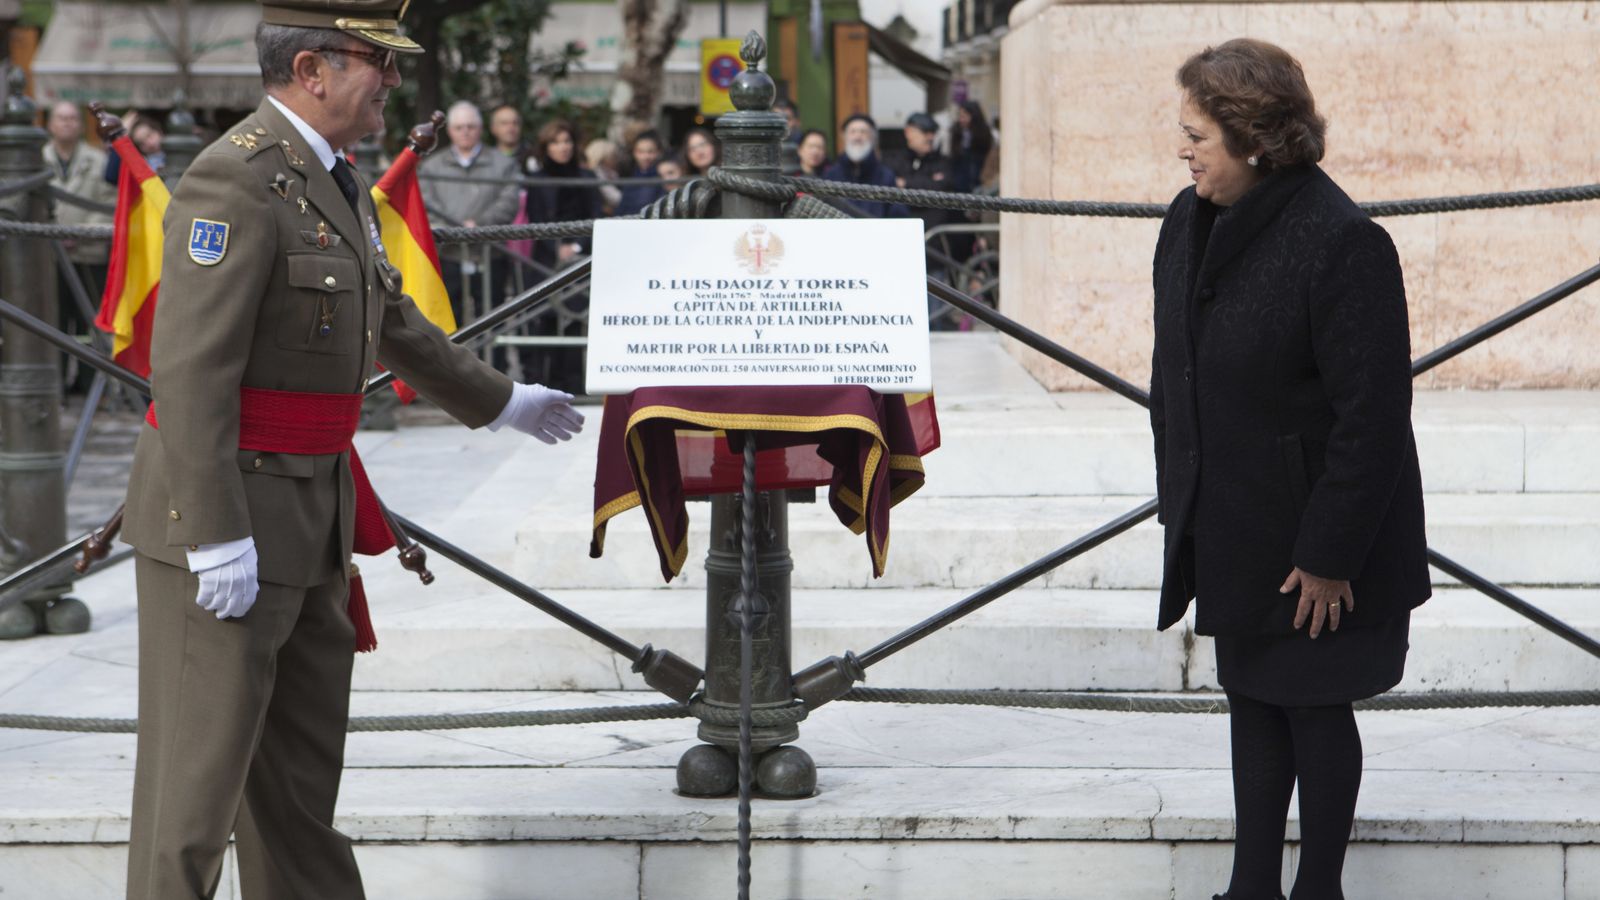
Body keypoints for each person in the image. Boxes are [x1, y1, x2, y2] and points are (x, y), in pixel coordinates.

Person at [117, 4, 585, 897]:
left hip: (311, 520)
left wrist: (502, 401)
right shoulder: (234, 180)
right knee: (192, 799)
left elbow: (391, 319)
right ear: (312, 69)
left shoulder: (326, 178)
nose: (395, 84)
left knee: (295, 793)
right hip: (230, 523)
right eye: (380, 62)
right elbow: (189, 376)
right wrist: (214, 533)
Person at [1148, 39, 1430, 900]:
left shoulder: (1342, 242)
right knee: (1254, 701)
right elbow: (1180, 368)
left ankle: (1319, 890)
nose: (1183, 150)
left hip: (1314, 543)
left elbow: (1373, 418)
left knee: (1312, 706)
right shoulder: (1188, 219)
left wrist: (1330, 553)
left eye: (1197, 135)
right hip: (1233, 520)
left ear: (1256, 140)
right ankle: (1250, 888)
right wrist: (1184, 503)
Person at [418, 100, 521, 324]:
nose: (465, 132)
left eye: (471, 126)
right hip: (448, 255)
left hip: (490, 253)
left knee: (493, 321)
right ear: (451, 131)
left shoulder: (503, 164)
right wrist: (454, 230)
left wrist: (479, 225)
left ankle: (492, 361)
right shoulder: (432, 167)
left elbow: (509, 201)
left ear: (481, 129)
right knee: (448, 323)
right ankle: (446, 361)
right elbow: (425, 203)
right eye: (459, 127)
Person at [43, 101, 118, 389]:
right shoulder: (38, 158)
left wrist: (79, 233)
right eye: (61, 118)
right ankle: (56, 382)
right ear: (50, 123)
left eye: (73, 118)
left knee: (90, 321)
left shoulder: (98, 160)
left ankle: (89, 385)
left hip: (88, 254)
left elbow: (108, 205)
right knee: (54, 322)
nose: (67, 123)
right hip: (47, 258)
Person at [887, 112, 963, 329]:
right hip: (901, 248)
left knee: (935, 311)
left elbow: (942, 187)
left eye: (933, 133)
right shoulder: (894, 160)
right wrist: (925, 184)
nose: (930, 137)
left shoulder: (943, 163)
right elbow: (892, 188)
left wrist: (907, 185)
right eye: (924, 132)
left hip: (934, 247)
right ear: (908, 132)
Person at [821, 113, 909, 218]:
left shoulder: (886, 176)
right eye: (852, 132)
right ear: (844, 137)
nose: (857, 137)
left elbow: (898, 215)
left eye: (863, 132)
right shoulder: (831, 175)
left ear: (873, 138)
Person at [102, 113, 165, 186]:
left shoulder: (178, 151)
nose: (149, 143)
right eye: (142, 143)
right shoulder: (144, 165)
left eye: (149, 135)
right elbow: (111, 177)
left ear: (159, 131)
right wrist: (121, 136)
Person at [615, 129, 666, 215]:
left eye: (650, 152)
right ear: (634, 153)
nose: (645, 157)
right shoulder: (630, 177)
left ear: (658, 152)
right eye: (640, 152)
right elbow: (621, 208)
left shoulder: (664, 176)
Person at [947, 99, 994, 194]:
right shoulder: (956, 131)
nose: (961, 120)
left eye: (964, 116)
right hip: (958, 180)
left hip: (977, 178)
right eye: (960, 116)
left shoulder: (983, 133)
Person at [487, 102, 534, 173]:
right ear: (493, 128)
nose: (511, 128)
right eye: (504, 123)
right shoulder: (485, 158)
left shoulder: (533, 156)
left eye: (515, 123)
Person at [583, 137, 623, 215]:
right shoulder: (597, 174)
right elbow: (615, 198)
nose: (616, 159)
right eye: (613, 156)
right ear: (603, 158)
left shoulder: (611, 173)